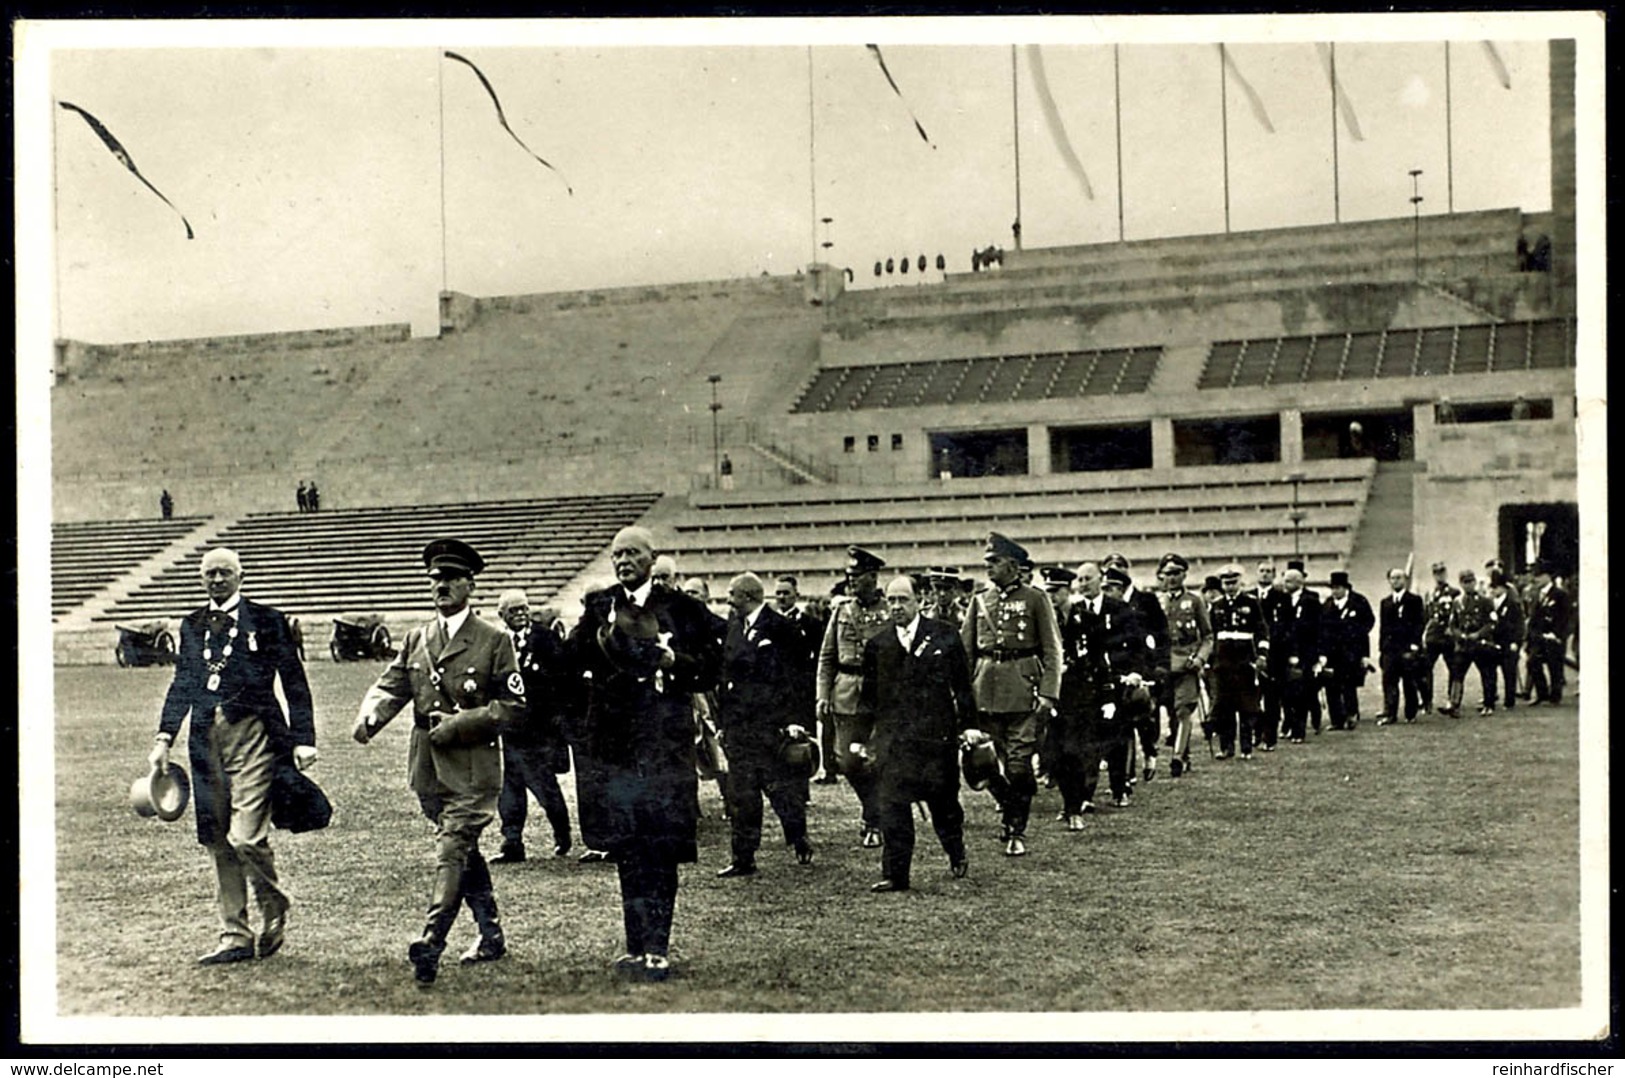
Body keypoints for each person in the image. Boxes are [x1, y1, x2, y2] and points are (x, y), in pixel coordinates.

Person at [353, 539, 524, 986]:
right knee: (462, 850)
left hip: (473, 768)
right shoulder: (417, 638)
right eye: (435, 579)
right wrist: (370, 718)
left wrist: (459, 724)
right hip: (428, 770)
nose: (441, 586)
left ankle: (432, 941)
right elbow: (393, 686)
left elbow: (512, 707)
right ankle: (491, 935)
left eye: (450, 579)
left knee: (451, 848)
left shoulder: (494, 640)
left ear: (471, 583)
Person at [563, 526, 721, 982]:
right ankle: (635, 945)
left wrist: (674, 664)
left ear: (653, 558)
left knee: (661, 846)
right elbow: (571, 662)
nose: (623, 561)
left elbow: (713, 664)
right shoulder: (600, 605)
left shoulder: (683, 608)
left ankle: (658, 947)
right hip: (616, 748)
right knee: (628, 847)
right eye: (616, 554)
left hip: (665, 747)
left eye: (632, 552)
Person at [148, 546, 317, 965]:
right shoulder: (191, 625)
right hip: (205, 740)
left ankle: (274, 904)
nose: (217, 579)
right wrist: (164, 736)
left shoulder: (268, 620)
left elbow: (294, 681)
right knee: (218, 837)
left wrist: (304, 737)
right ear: (201, 579)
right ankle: (235, 935)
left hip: (254, 735)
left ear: (240, 576)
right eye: (209, 573)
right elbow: (182, 684)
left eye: (224, 572)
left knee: (247, 836)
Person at [856, 575, 974, 891]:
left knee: (944, 805)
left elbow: (963, 689)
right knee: (892, 806)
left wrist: (970, 727)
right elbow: (868, 699)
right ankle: (896, 874)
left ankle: (955, 850)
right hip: (895, 743)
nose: (896, 607)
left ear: (918, 601)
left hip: (937, 740)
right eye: (891, 600)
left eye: (902, 600)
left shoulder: (945, 637)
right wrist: (859, 737)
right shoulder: (878, 645)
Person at [960, 532, 1062, 857]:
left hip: (1023, 691)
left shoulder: (1035, 598)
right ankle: (1008, 804)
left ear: (1013, 565)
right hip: (985, 691)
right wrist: (963, 696)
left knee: (1018, 766)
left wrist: (1048, 694)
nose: (987, 566)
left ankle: (1016, 828)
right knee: (983, 763)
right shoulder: (979, 601)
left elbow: (1052, 649)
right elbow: (966, 653)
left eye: (994, 561)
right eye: (987, 562)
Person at [714, 573, 815, 878]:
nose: (728, 600)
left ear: (747, 596)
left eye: (732, 594)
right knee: (741, 794)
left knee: (780, 790)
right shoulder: (734, 628)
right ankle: (743, 858)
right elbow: (725, 680)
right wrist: (724, 723)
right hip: (740, 727)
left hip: (771, 727)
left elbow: (799, 678)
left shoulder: (781, 628)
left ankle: (798, 836)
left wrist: (798, 721)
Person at [815, 546, 895, 847]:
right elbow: (827, 658)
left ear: (873, 577)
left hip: (882, 695)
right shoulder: (841, 611)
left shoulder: (890, 611)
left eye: (857, 576)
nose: (851, 582)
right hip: (847, 693)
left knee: (878, 760)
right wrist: (822, 695)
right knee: (848, 762)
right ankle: (871, 809)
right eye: (849, 576)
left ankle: (875, 818)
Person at [490, 589, 574, 864]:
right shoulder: (498, 643)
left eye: (523, 608)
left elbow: (561, 681)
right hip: (509, 729)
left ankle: (562, 832)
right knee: (510, 788)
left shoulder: (546, 638)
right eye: (513, 610)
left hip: (539, 730)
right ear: (502, 615)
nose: (520, 614)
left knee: (544, 786)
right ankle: (512, 842)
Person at [1053, 562, 1131, 824]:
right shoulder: (1045, 623)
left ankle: (1076, 803)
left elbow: (1101, 660)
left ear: (1067, 591)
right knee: (1057, 754)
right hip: (1054, 696)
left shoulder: (1086, 620)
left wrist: (1108, 696)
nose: (1052, 598)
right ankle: (1070, 801)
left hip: (1084, 694)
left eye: (1056, 592)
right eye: (1048, 593)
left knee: (1081, 751)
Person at [1101, 553, 1169, 784]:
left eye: (1119, 567)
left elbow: (1160, 635)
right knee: (1122, 722)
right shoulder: (1103, 607)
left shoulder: (1145, 601)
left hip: (1144, 666)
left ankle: (1150, 751)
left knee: (1144, 718)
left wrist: (1160, 666)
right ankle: (1125, 775)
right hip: (1118, 669)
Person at [1204, 564, 1270, 760]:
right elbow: (1210, 636)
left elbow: (1261, 630)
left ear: (1240, 582)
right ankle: (1226, 747)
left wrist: (1262, 655)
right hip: (1222, 664)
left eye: (1233, 582)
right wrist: (1209, 661)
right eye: (1226, 582)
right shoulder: (1216, 606)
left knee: (1246, 706)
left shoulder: (1251, 603)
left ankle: (1246, 747)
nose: (1230, 586)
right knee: (1224, 707)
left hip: (1244, 663)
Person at [1155, 553, 1212, 777]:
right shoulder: (1157, 601)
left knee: (1184, 709)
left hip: (1187, 662)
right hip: (1164, 664)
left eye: (1176, 573)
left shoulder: (1195, 601)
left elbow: (1208, 635)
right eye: (1168, 573)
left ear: (1184, 574)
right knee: (1170, 710)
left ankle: (1177, 758)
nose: (1172, 578)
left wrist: (1200, 658)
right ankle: (1184, 752)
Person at [1270, 560, 1324, 743]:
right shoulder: (1282, 601)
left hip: (1304, 653)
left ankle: (1299, 730)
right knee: (1286, 694)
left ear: (1298, 582)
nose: (1284, 585)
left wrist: (1315, 655)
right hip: (1283, 654)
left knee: (1301, 693)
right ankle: (1290, 725)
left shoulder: (1311, 602)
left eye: (1288, 582)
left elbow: (1316, 630)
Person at [1320, 570, 1375, 731]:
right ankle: (1336, 719)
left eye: (1338, 588)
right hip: (1332, 651)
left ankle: (1352, 715)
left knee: (1349, 685)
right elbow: (1322, 628)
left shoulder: (1359, 602)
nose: (1335, 591)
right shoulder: (1328, 605)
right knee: (1332, 686)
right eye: (1333, 588)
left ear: (1345, 588)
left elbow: (1368, 622)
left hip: (1352, 651)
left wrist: (1358, 641)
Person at [1376, 568, 1427, 725]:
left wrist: (1414, 644)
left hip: (1406, 648)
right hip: (1390, 649)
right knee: (1389, 682)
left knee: (1409, 681)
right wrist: (1382, 648)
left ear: (1405, 579)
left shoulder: (1414, 600)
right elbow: (1383, 627)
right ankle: (1390, 713)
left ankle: (1410, 713)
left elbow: (1419, 623)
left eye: (1398, 578)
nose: (1395, 581)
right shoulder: (1386, 603)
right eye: (1392, 578)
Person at [1445, 569, 1495, 716]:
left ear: (1474, 582)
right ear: (1460, 584)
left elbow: (1491, 623)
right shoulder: (1457, 602)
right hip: (1463, 645)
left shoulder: (1485, 601)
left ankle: (1488, 704)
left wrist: (1478, 634)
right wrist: (1459, 635)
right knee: (1457, 674)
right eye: (1465, 582)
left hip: (1480, 644)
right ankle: (1454, 704)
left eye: (1470, 582)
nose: (1468, 585)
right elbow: (1452, 624)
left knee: (1487, 674)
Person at [1524, 561, 1572, 705]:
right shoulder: (1536, 593)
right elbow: (1534, 617)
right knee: (1532, 662)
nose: (1535, 579)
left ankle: (1555, 696)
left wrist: (1557, 634)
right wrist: (1531, 634)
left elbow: (1565, 617)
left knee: (1555, 667)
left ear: (1547, 577)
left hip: (1554, 637)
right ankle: (1542, 693)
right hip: (1539, 637)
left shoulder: (1560, 594)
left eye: (1538, 576)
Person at [1253, 560, 1287, 750]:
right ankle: (1256, 734)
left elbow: (1287, 628)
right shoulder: (1249, 597)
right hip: (1253, 655)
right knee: (1252, 698)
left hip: (1275, 656)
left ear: (1274, 575)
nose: (1265, 574)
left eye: (1268, 571)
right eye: (1262, 571)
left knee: (1272, 699)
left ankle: (1270, 737)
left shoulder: (1282, 598)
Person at [1421, 561, 1461, 715]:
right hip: (1433, 636)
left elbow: (1458, 614)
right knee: (1425, 669)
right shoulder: (1429, 594)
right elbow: (1426, 615)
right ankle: (1427, 701)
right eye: (1436, 573)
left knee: (1454, 668)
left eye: (1442, 572)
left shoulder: (1454, 593)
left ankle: (1452, 701)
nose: (1439, 576)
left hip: (1448, 637)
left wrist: (1454, 631)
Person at [1484, 568, 1525, 713]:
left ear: (1503, 588)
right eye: (1492, 587)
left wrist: (1516, 642)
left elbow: (1519, 625)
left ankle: (1509, 701)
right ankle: (1490, 699)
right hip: (1494, 643)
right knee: (1490, 672)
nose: (1493, 590)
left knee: (1509, 673)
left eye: (1495, 588)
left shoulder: (1513, 604)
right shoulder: (1489, 603)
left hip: (1509, 643)